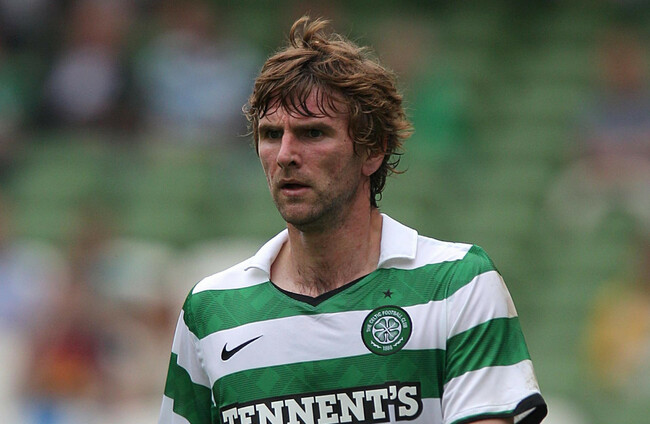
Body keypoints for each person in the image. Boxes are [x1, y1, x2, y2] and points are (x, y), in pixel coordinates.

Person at [159, 16, 547, 424]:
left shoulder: (457, 284)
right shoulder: (211, 309)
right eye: (271, 134)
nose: (285, 155)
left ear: (373, 150)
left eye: (313, 133)